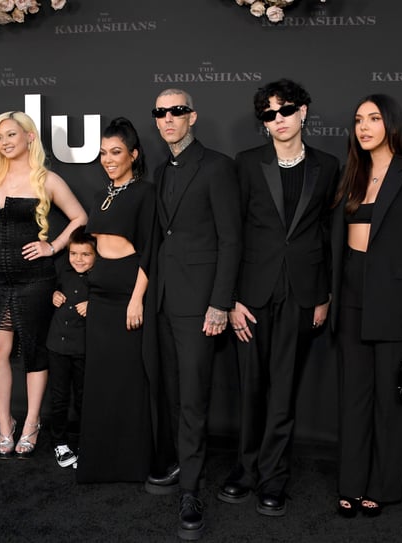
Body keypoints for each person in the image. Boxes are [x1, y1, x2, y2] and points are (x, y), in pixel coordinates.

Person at [220, 79, 340, 516]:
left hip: (303, 293)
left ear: (303, 111)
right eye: (268, 115)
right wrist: (231, 298)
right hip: (252, 294)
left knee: (284, 389)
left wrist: (325, 293)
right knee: (252, 388)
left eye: (285, 110)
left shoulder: (327, 166)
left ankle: (274, 476)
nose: (278, 120)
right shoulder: (247, 163)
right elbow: (232, 234)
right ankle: (245, 470)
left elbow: (329, 235)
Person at [329, 94, 402, 517]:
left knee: (389, 403)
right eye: (358, 120)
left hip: (394, 303)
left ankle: (383, 485)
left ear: (391, 124)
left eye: (373, 119)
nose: (364, 127)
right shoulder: (350, 173)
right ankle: (351, 484)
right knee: (353, 399)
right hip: (351, 297)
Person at [146, 88, 241, 540]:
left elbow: (231, 239)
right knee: (172, 394)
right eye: (161, 113)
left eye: (176, 111)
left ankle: (191, 489)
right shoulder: (163, 169)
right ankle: (183, 468)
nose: (168, 119)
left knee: (194, 399)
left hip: (201, 305)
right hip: (164, 301)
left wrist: (220, 302)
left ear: (193, 117)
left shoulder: (219, 167)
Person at [0, 111, 87, 459]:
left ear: (29, 137)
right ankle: (6, 424)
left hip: (35, 281)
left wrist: (53, 246)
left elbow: (80, 217)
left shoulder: (47, 179)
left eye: (11, 135)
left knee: (35, 352)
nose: (5, 142)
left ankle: (32, 422)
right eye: (0, 137)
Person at [76, 117, 156, 483]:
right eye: (104, 152)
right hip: (100, 296)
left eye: (116, 152)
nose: (108, 159)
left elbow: (149, 252)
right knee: (100, 380)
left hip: (127, 295)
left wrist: (137, 299)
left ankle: (130, 464)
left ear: (133, 154)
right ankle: (99, 461)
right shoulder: (99, 195)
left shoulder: (145, 192)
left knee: (128, 381)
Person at [45, 226, 96, 470]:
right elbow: (53, 292)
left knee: (85, 398)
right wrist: (54, 294)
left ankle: (87, 444)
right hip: (57, 345)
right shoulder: (63, 271)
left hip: (83, 349)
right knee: (58, 398)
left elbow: (113, 303)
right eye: (74, 253)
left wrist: (94, 305)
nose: (78, 259)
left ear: (96, 256)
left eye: (85, 254)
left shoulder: (99, 279)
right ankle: (60, 443)